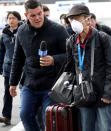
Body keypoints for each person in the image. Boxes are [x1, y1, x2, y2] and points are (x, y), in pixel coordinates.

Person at [9, 0, 69, 131]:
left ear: (42, 11)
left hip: (52, 85)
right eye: (33, 15)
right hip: (30, 83)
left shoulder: (58, 29)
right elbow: (17, 58)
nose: (37, 18)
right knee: (25, 115)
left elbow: (71, 54)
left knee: (48, 117)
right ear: (26, 15)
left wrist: (54, 59)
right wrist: (12, 83)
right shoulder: (21, 31)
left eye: (39, 13)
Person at [66, 4, 111, 131]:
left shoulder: (103, 38)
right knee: (86, 127)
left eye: (77, 19)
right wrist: (68, 91)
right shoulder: (71, 41)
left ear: (88, 20)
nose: (74, 23)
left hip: (102, 93)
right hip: (83, 93)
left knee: (104, 127)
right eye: (71, 20)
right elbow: (69, 68)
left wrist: (109, 94)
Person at [0, 11, 22, 126]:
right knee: (8, 92)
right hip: (8, 68)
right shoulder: (4, 34)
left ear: (18, 19)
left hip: (23, 67)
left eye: (13, 18)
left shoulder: (24, 31)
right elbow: (2, 52)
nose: (11, 20)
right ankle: (6, 116)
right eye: (9, 18)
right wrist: (0, 66)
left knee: (25, 92)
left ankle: (26, 115)